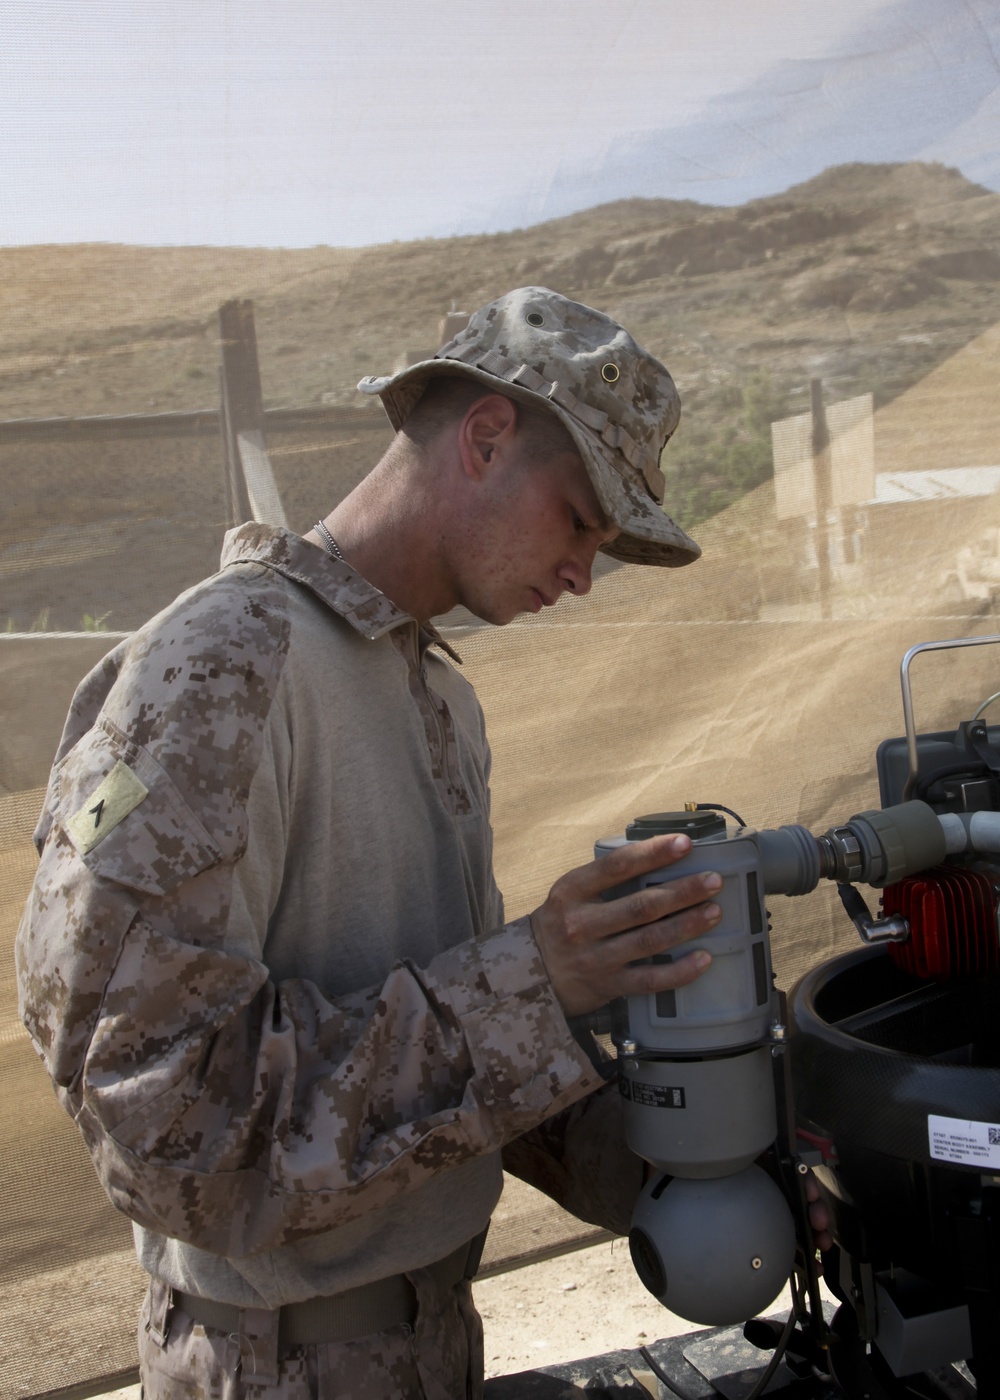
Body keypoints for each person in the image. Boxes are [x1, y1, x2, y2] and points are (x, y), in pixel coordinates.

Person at [15, 288, 813, 1400]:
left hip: (431, 1339)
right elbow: (159, 1116)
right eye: (582, 517)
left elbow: (457, 1079)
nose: (585, 572)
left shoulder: (434, 693)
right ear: (486, 435)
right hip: (275, 1365)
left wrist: (695, 1157)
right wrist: (536, 976)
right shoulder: (221, 664)